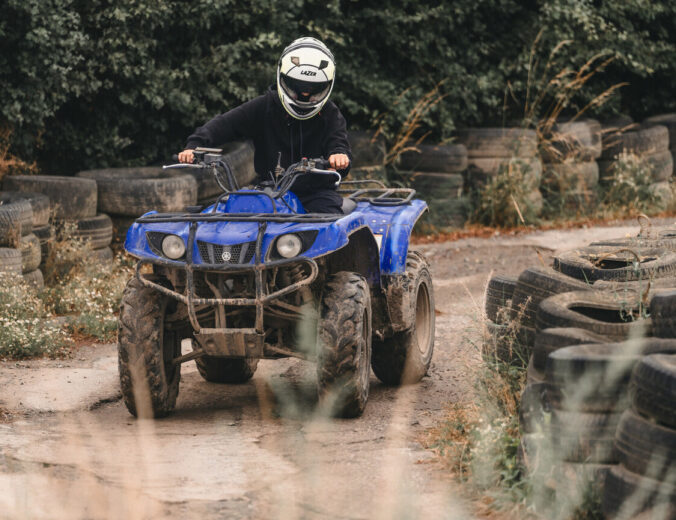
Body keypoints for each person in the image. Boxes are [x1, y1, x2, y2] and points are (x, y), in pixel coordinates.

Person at [178, 37, 351, 214]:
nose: (305, 94)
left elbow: (338, 143)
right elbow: (225, 124)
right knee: (227, 215)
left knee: (327, 223)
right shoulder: (264, 106)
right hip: (267, 190)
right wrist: (195, 145)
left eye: (314, 90)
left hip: (315, 193)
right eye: (298, 87)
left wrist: (338, 157)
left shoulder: (330, 114)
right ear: (282, 78)